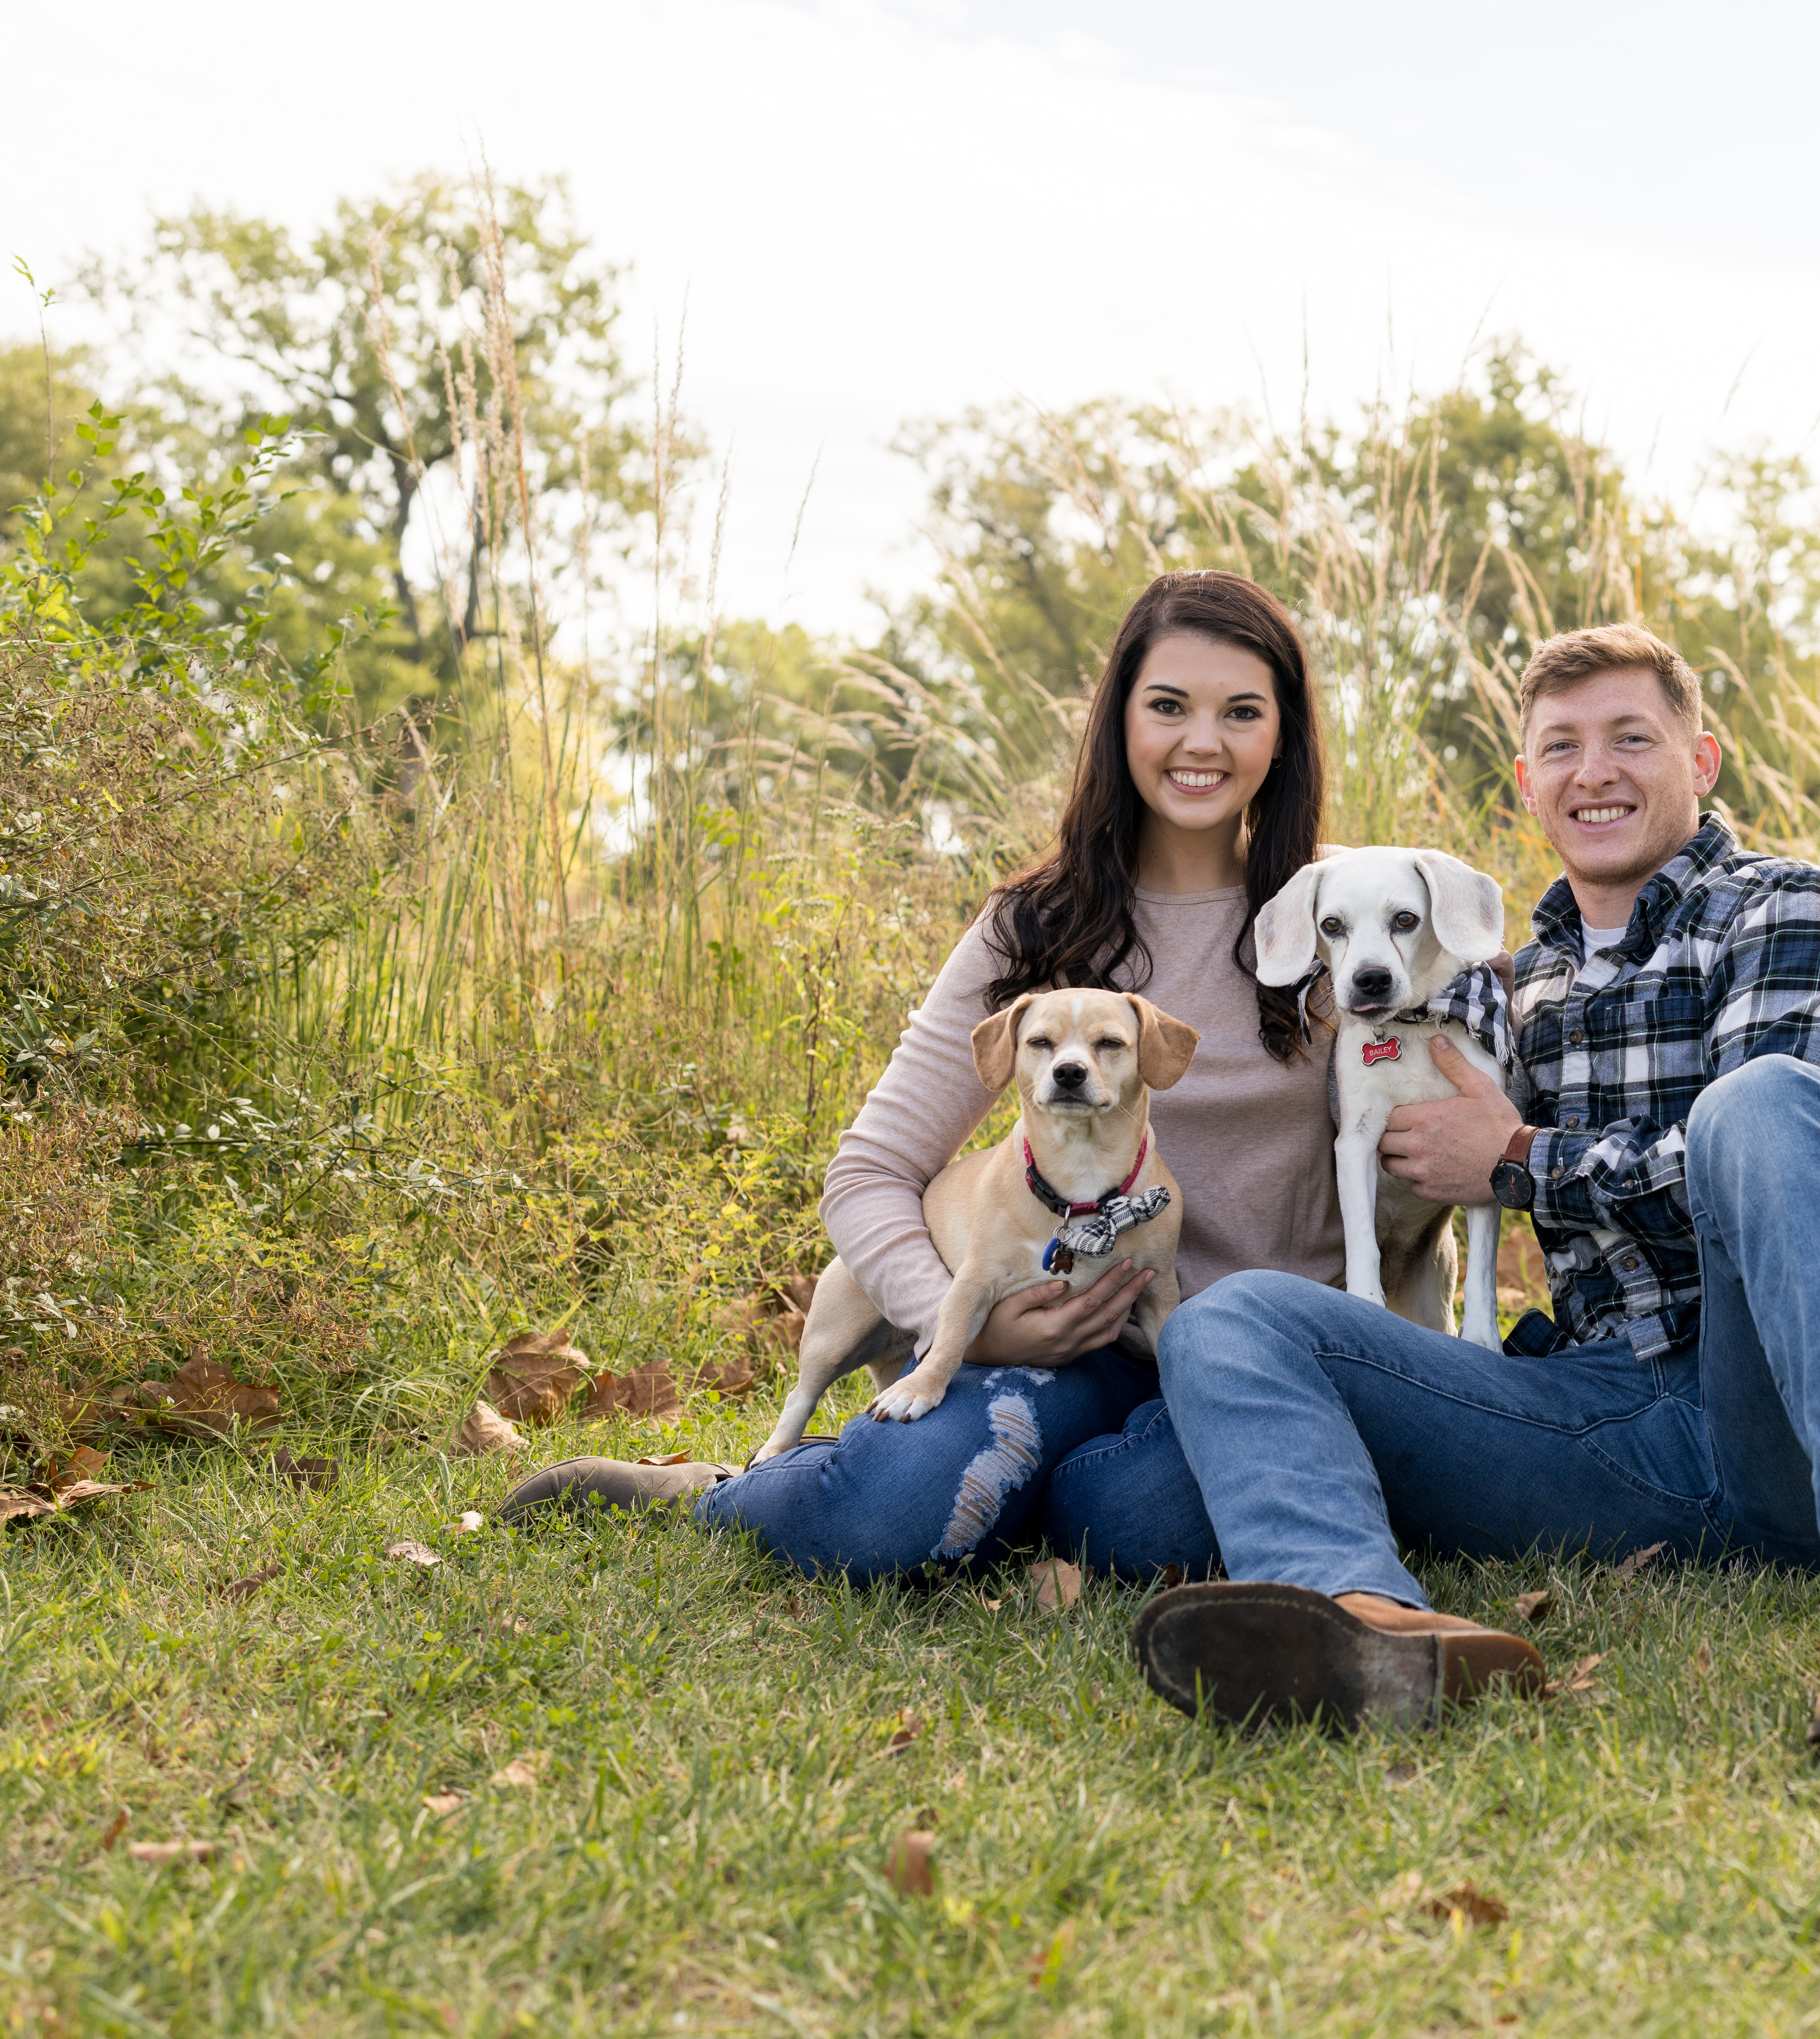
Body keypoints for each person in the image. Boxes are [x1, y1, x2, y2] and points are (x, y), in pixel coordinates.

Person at [1129, 622, 1820, 1754]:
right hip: (1616, 1425)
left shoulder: (1793, 911)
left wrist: (1519, 1157)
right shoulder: (1511, 985)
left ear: (1702, 761)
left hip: (1796, 1396)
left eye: (1631, 738)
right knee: (1231, 1322)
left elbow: (1784, 1166)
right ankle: (1364, 1618)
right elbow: (1358, 1005)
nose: (1595, 772)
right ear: (1529, 783)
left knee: (1762, 1101)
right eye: (1561, 747)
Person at [498, 570, 1345, 1583]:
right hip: (1065, 1351)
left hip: (1256, 1366)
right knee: (897, 1510)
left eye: (1242, 712)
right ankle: (720, 1490)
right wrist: (972, 1325)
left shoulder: (1345, 914)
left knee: (1139, 1524)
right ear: (1119, 721)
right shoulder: (1033, 927)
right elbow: (869, 1174)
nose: (1202, 742)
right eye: (1168, 706)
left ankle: (1020, 1491)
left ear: (1283, 735)